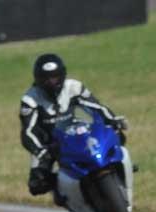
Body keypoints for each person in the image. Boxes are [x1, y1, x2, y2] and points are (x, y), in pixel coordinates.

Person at [20, 53, 128, 199]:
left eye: (54, 77)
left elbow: (97, 107)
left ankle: (120, 174)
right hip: (49, 143)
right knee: (37, 184)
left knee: (119, 137)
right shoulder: (30, 99)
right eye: (46, 79)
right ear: (37, 79)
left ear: (62, 75)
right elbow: (28, 131)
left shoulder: (74, 87)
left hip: (76, 132)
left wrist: (113, 120)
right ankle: (63, 193)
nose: (51, 82)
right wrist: (39, 150)